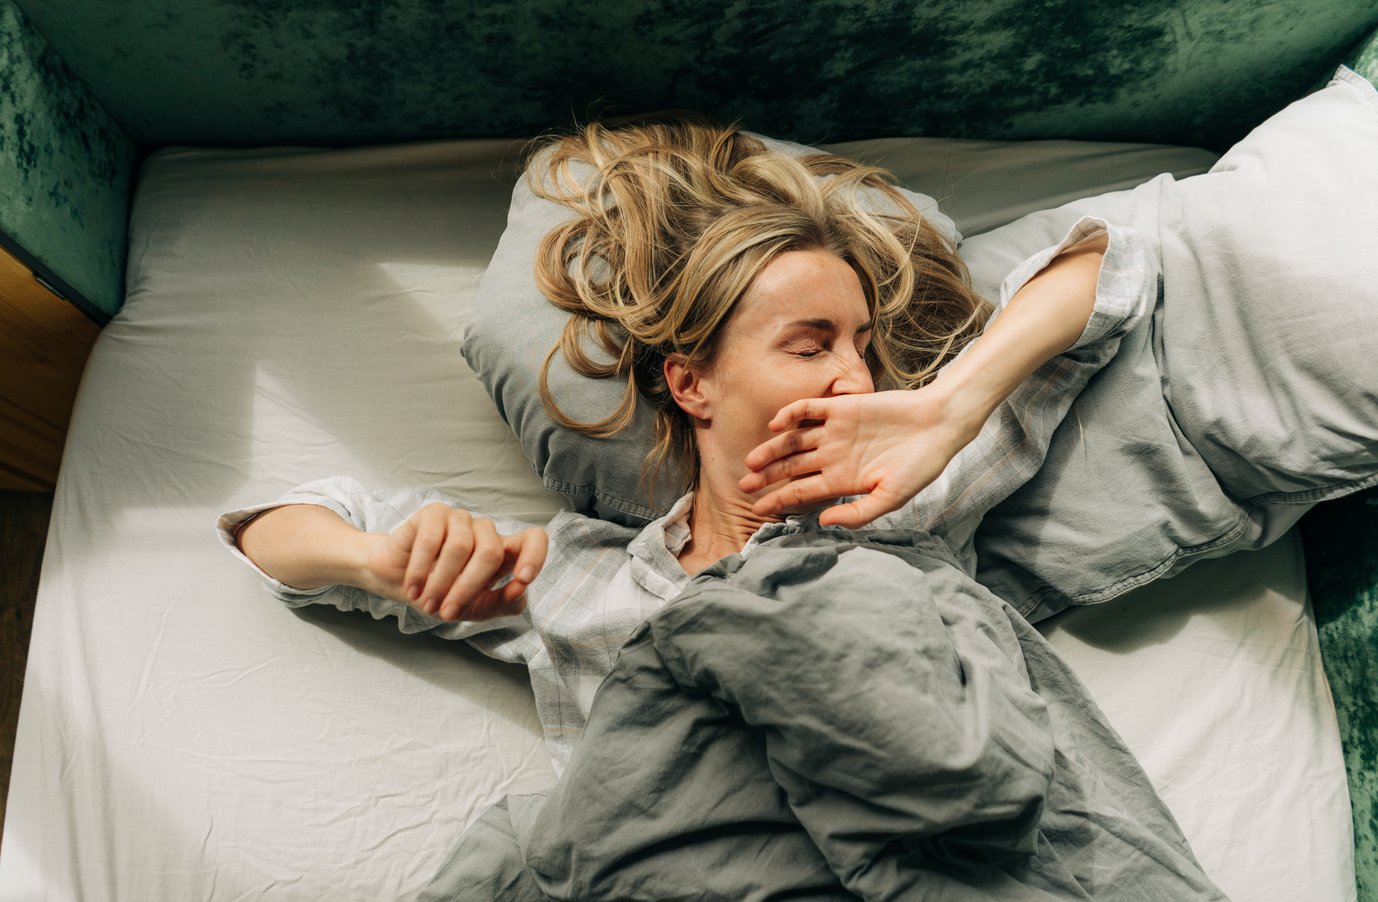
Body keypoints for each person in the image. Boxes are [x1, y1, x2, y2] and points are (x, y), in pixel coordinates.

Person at [220, 113, 1140, 772]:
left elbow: (1109, 267)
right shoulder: (580, 581)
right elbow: (270, 532)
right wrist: (382, 559)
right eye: (810, 344)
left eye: (862, 346)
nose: (857, 380)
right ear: (692, 382)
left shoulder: (917, 492)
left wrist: (950, 404)